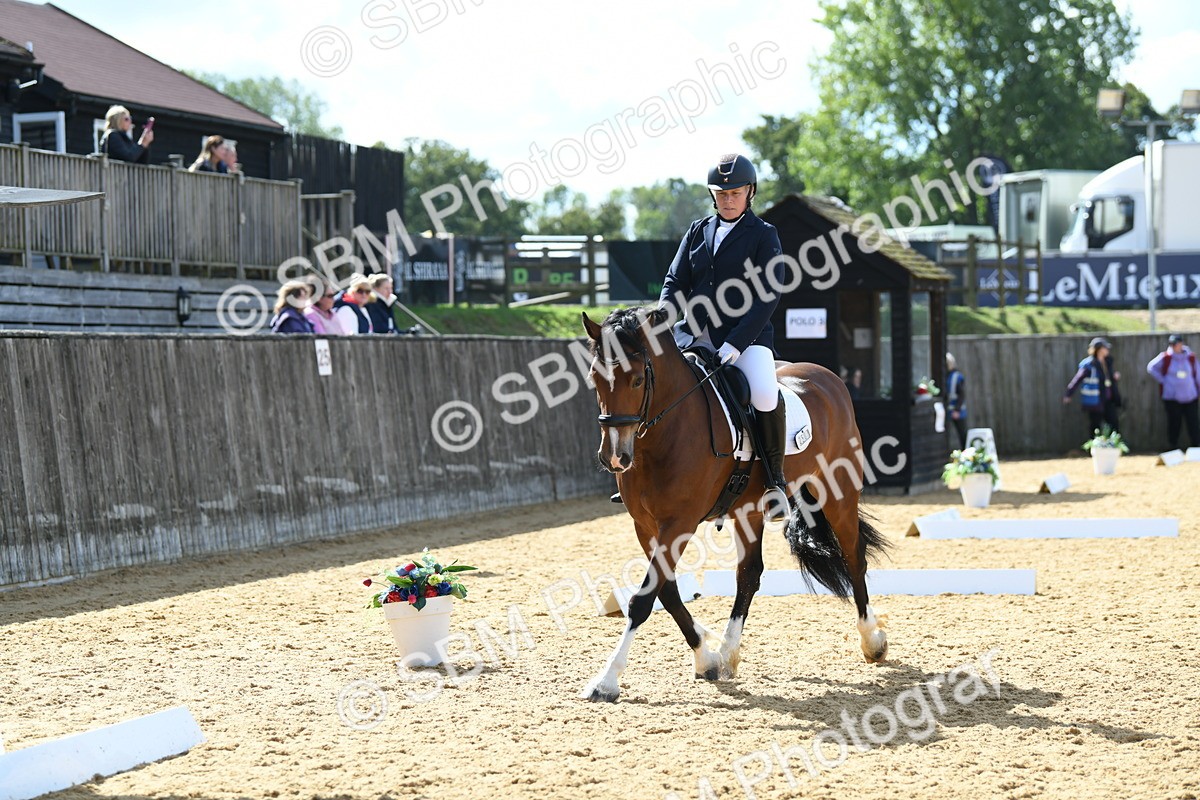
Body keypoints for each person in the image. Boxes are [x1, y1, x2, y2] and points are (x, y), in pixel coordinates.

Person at [656, 153, 791, 522]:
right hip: (695, 337)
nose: (728, 199)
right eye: (721, 193)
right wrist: (664, 319)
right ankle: (644, 475)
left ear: (750, 192)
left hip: (745, 340)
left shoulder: (764, 235)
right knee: (654, 383)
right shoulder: (697, 231)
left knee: (764, 392)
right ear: (712, 195)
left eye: (735, 192)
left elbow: (768, 295)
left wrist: (736, 343)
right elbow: (675, 282)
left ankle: (775, 483)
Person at [1146, 333, 1200, 450]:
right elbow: (1151, 367)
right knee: (1174, 423)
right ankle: (1173, 446)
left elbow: (1198, 374)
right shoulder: (1166, 357)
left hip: (1190, 396)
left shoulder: (1190, 357)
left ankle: (1196, 446)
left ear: (1181, 343)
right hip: (1172, 397)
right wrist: (1164, 380)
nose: (1175, 346)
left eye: (1177, 343)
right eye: (1172, 344)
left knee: (1193, 423)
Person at [1064, 336, 1122, 438]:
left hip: (1108, 399)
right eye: (1105, 348)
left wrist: (1113, 376)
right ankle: (1094, 448)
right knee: (1095, 426)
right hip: (1096, 401)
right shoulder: (1089, 364)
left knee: (1114, 423)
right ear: (1099, 349)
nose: (1107, 350)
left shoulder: (1107, 362)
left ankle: (1113, 448)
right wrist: (1069, 394)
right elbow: (1077, 379)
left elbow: (1106, 378)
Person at [945, 353, 967, 448]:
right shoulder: (945, 376)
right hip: (946, 411)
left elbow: (961, 394)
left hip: (957, 411)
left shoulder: (957, 376)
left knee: (962, 435)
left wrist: (957, 410)